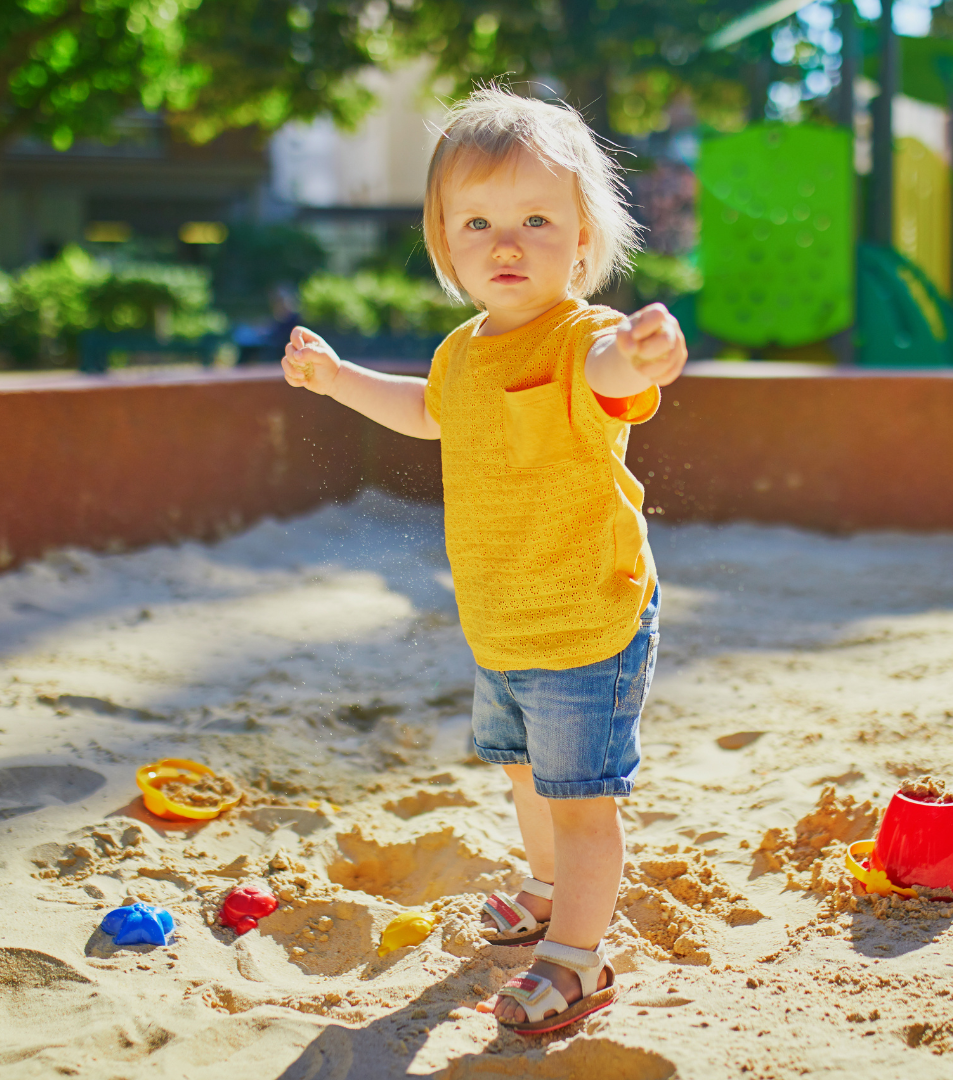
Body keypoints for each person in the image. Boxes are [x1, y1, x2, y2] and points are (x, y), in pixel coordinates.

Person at [281, 87, 687, 1034]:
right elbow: (426, 412)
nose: (507, 244)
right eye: (480, 223)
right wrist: (338, 378)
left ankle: (580, 962)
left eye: (537, 220)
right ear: (446, 244)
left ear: (583, 240)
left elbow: (613, 379)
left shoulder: (585, 338)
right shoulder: (463, 355)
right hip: (501, 624)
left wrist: (646, 352)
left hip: (588, 622)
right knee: (524, 775)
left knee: (582, 803)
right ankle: (547, 891)